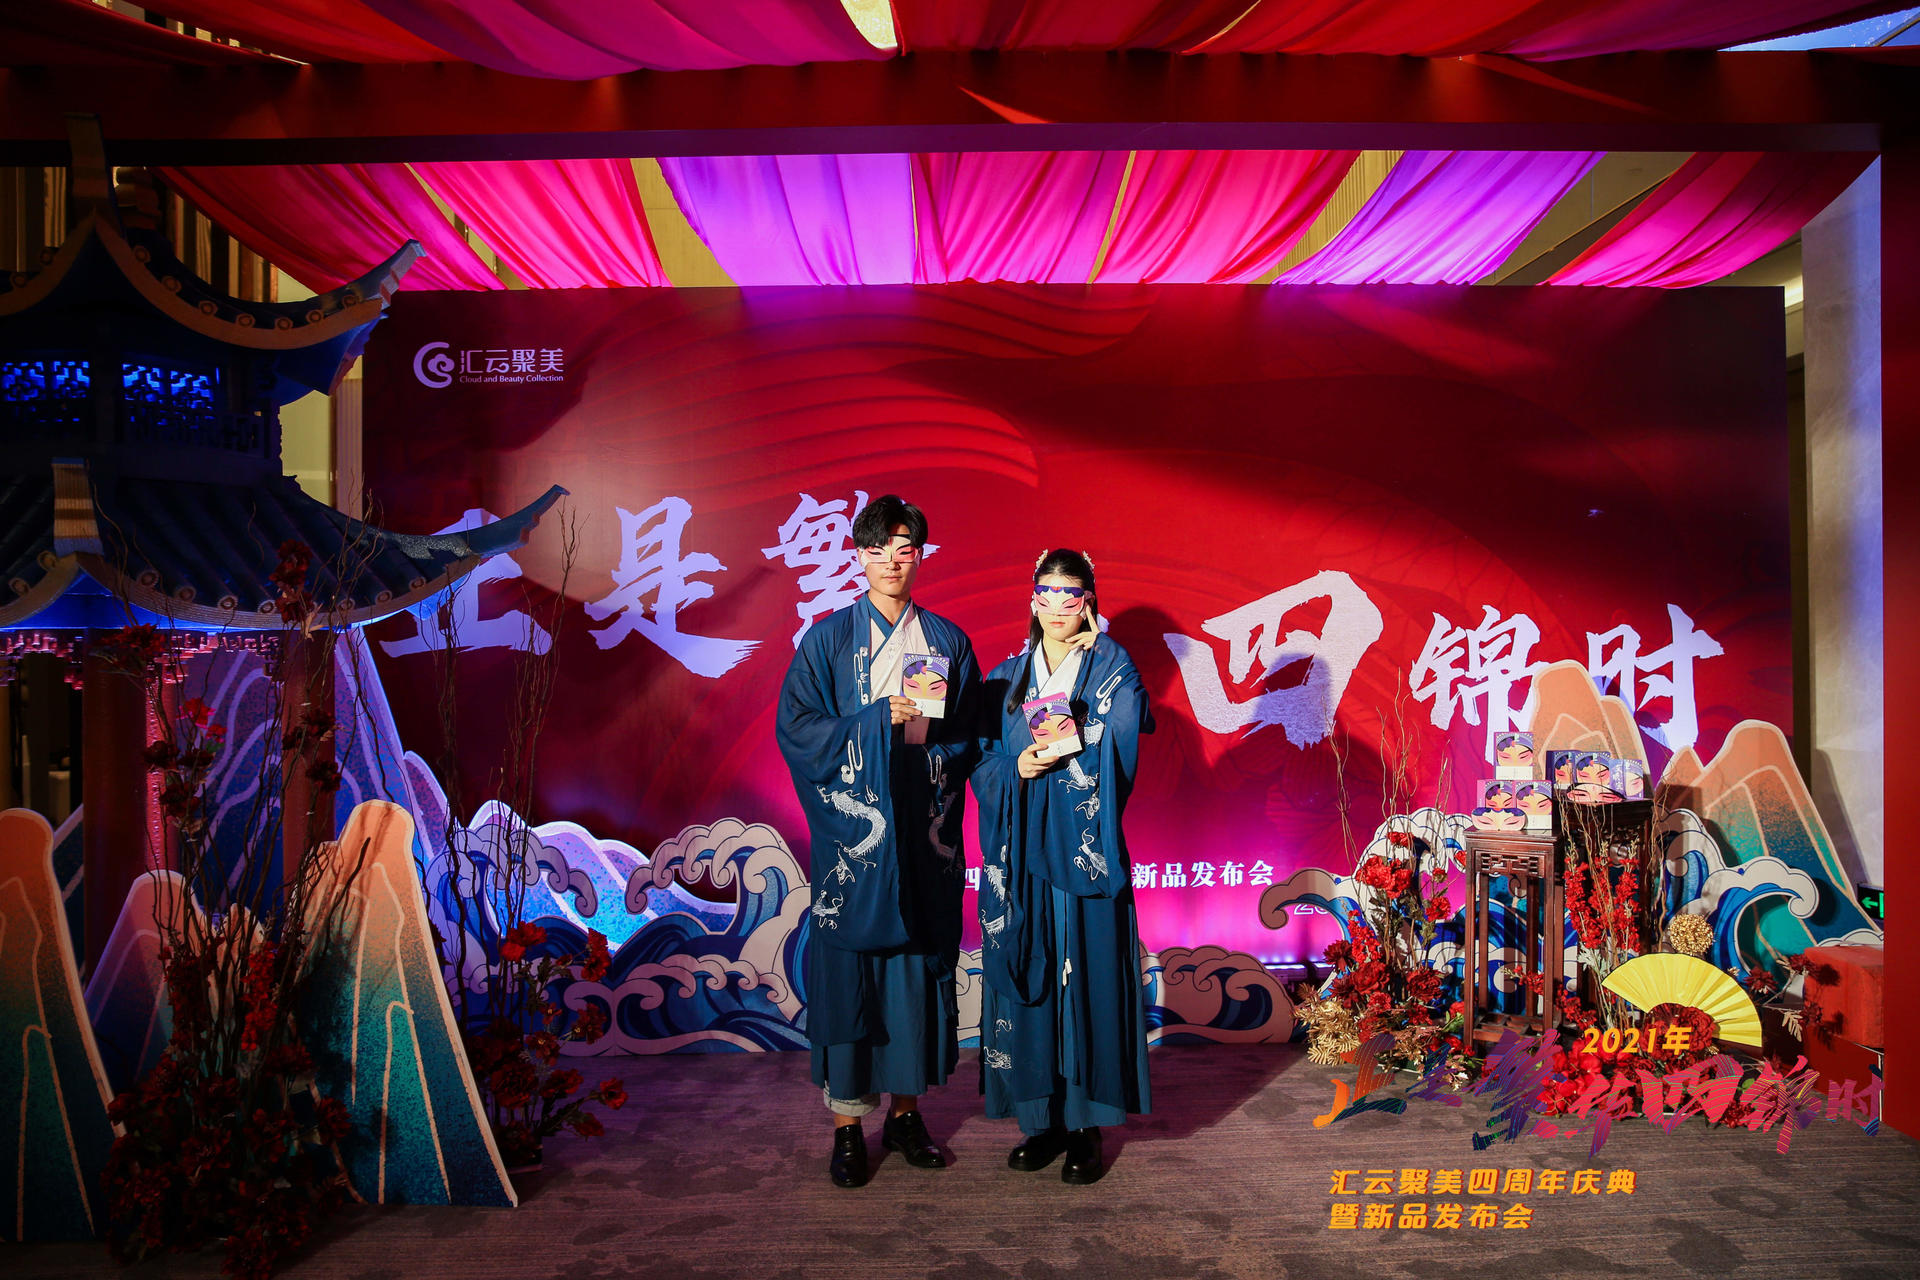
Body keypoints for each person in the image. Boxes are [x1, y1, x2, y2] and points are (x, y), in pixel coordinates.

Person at [775, 494, 981, 1189]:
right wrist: (871, 722)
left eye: (904, 549)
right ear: (859, 557)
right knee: (850, 983)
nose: (892, 561)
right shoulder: (828, 639)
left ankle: (905, 1116)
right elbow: (797, 729)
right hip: (855, 848)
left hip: (922, 838)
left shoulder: (947, 641)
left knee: (914, 980)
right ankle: (846, 1127)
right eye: (877, 549)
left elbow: (969, 736)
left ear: (921, 556)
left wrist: (930, 755)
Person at [970, 549, 1152, 1185]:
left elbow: (1123, 738)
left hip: (1081, 854)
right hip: (1020, 854)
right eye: (1044, 593)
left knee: (1085, 981)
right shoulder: (1006, 677)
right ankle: (1039, 1119)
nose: (1056, 605)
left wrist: (1102, 661)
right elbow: (980, 760)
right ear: (1032, 600)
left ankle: (1085, 1126)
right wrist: (1013, 768)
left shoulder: (1111, 669)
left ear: (1089, 601)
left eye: (1070, 594)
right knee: (1032, 978)